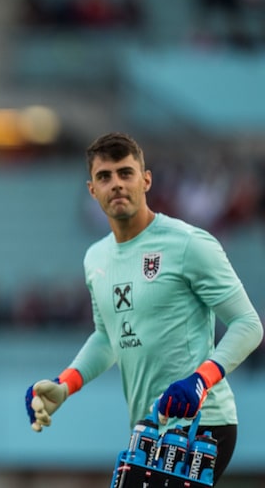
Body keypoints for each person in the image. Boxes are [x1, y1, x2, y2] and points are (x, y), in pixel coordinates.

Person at [24, 132, 263, 483]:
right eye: (105, 177)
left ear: (146, 180)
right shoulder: (96, 258)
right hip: (147, 429)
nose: (116, 184)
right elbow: (108, 337)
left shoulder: (188, 244)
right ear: (92, 190)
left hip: (203, 426)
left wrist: (199, 381)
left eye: (126, 173)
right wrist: (65, 384)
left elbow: (248, 324)